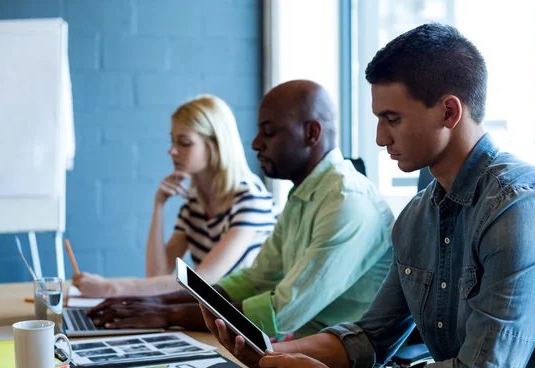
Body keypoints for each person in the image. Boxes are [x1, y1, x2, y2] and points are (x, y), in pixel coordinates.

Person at [203, 24, 535, 368]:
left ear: (448, 113)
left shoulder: (522, 208)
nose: (380, 138)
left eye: (392, 119)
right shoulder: (418, 215)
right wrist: (271, 353)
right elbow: (372, 336)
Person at [87, 80, 395, 339]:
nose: (256, 144)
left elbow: (279, 313)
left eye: (269, 132)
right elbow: (253, 280)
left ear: (311, 134)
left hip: (342, 367)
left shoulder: (345, 202)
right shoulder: (303, 195)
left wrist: (166, 314)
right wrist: (156, 303)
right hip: (298, 348)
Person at [72, 95, 277, 297]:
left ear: (215, 145)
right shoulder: (194, 204)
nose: (172, 151)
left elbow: (204, 281)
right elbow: (157, 274)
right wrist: (158, 206)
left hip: (248, 322)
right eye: (173, 141)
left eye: (184, 143)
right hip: (214, 318)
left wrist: (111, 288)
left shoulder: (251, 200)